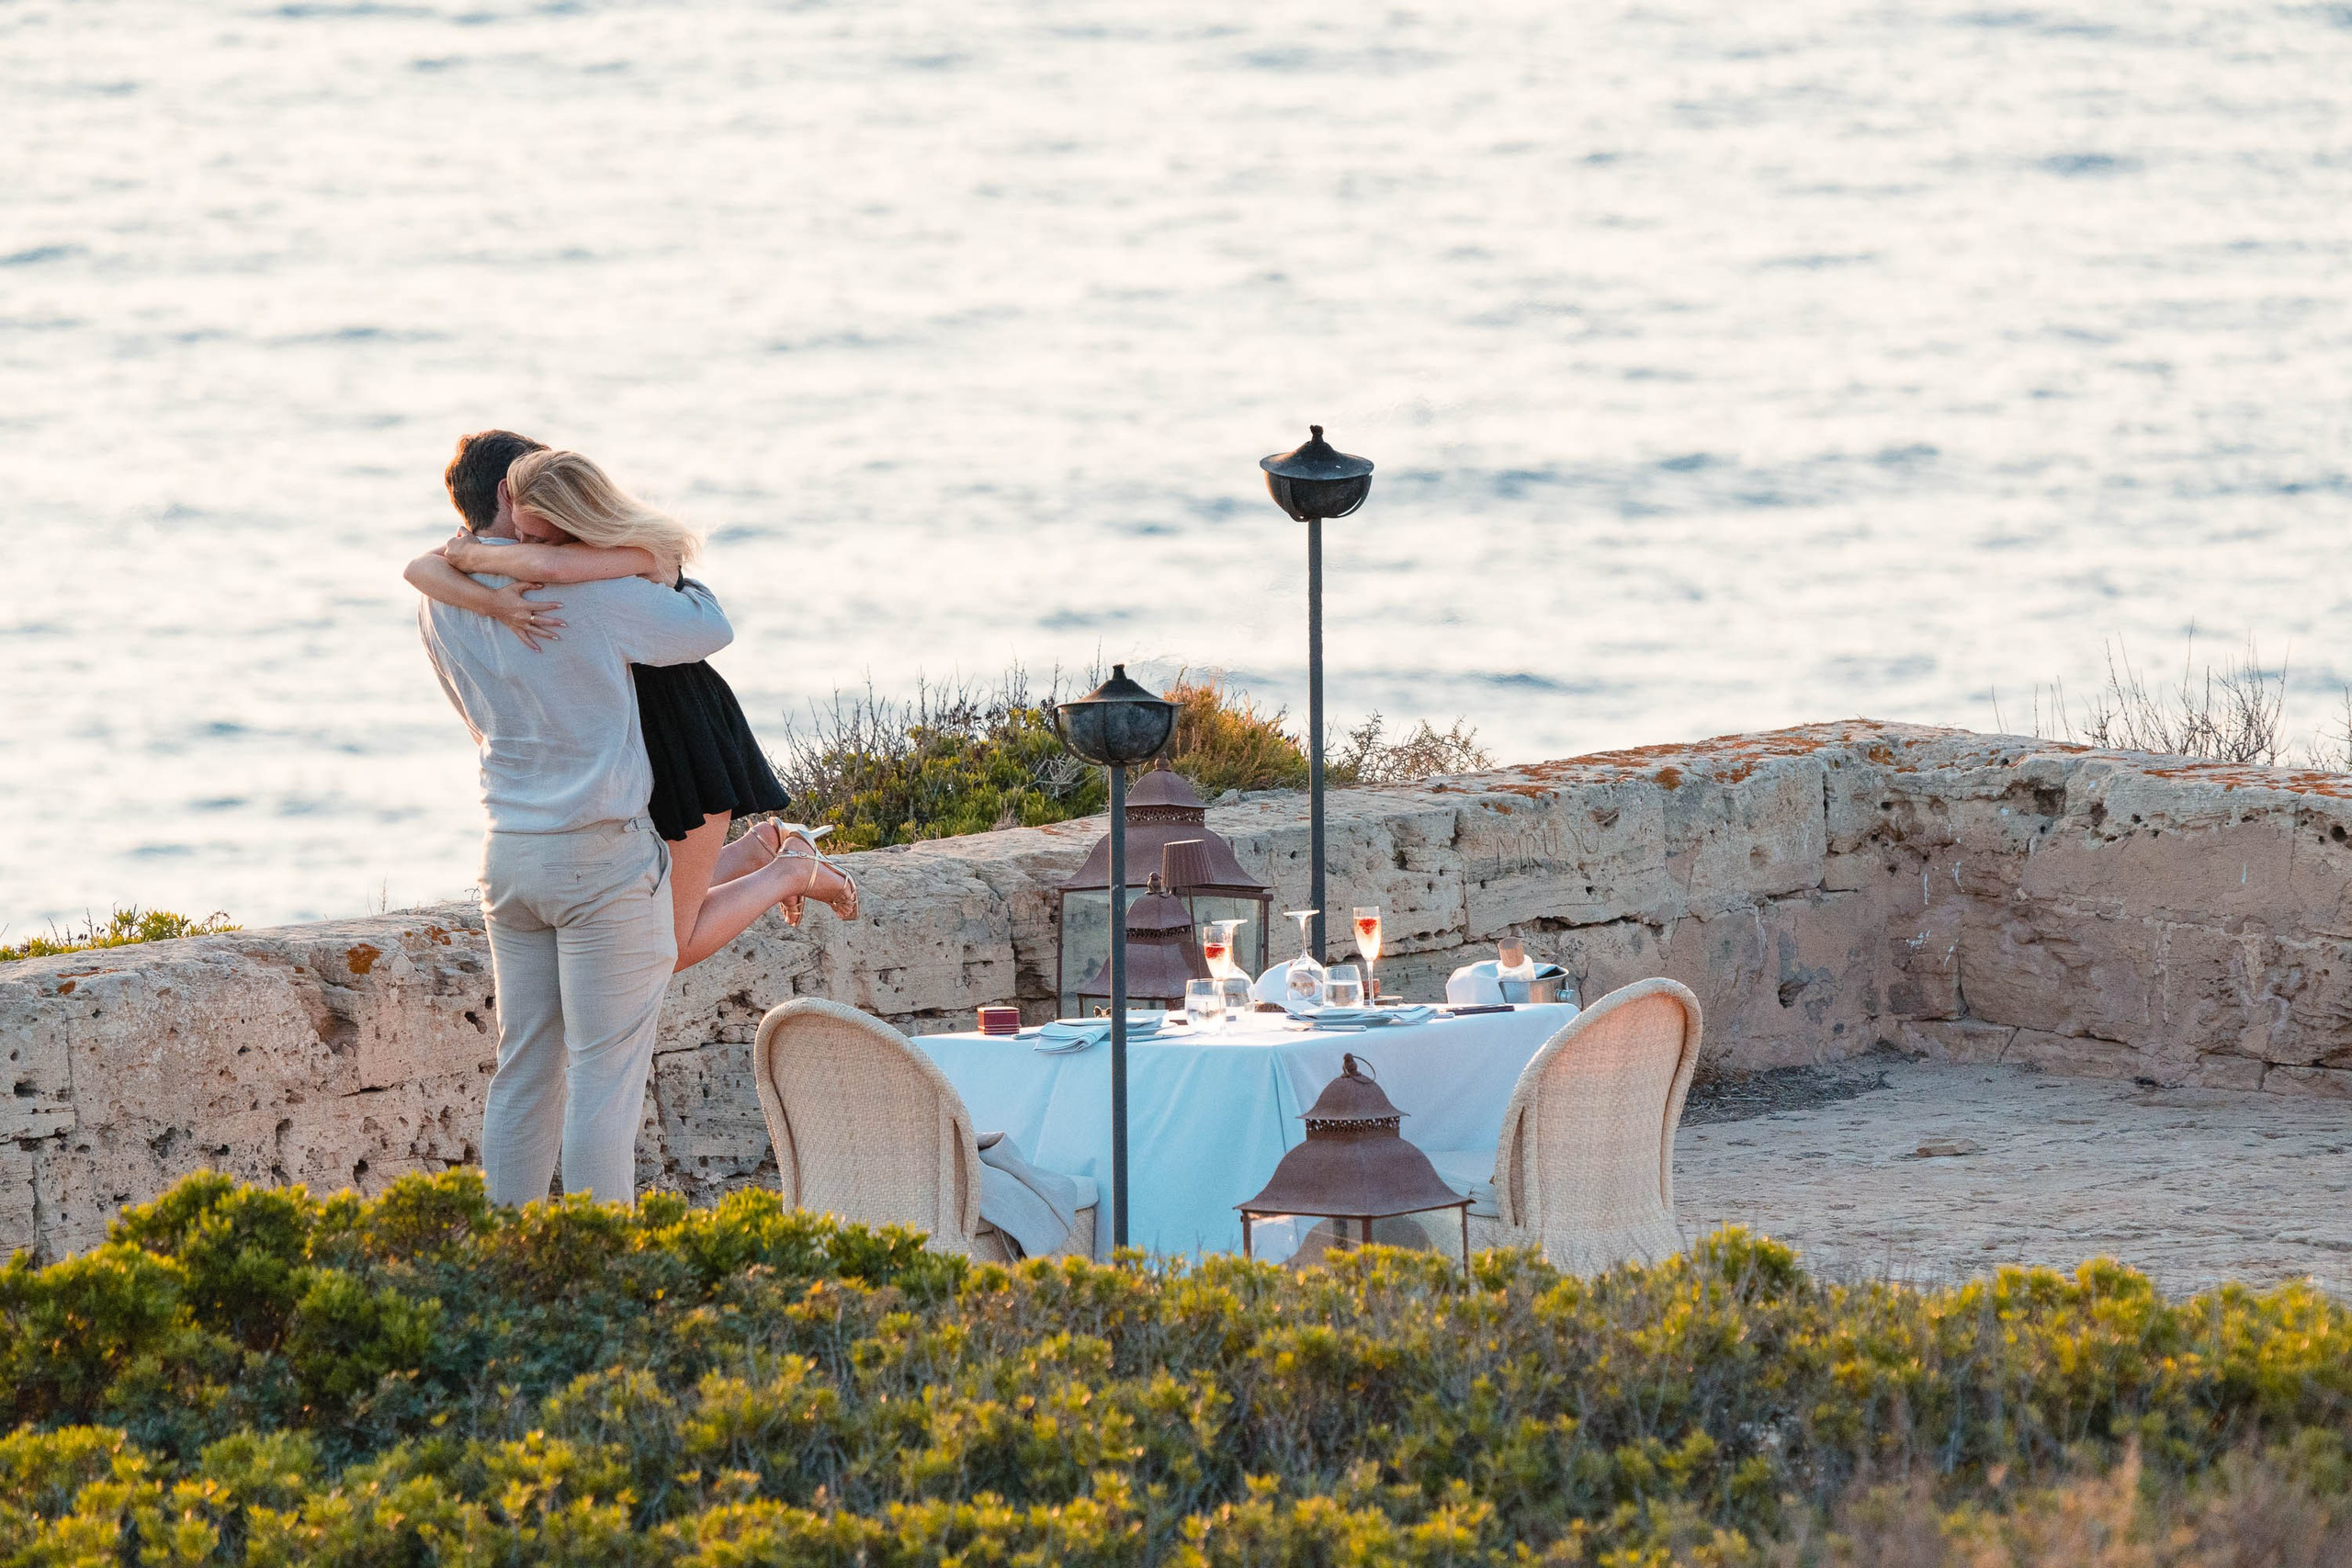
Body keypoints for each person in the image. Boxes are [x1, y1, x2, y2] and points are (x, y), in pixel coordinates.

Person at [412, 436, 841, 1207]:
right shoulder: (589, 595)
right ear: (512, 496)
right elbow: (706, 627)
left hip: (508, 850)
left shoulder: (440, 600)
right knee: (603, 1085)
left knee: (523, 1072)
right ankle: (602, 1260)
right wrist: (642, 558)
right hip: (598, 854)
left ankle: (505, 1251)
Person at [407, 434, 854, 971]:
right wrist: (489, 587)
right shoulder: (457, 580)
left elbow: (707, 626)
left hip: (679, 731)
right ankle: (762, 850)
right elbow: (427, 570)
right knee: (644, 901)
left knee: (668, 945)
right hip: (620, 752)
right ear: (510, 493)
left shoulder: (583, 568)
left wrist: (484, 566)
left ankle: (791, 869)